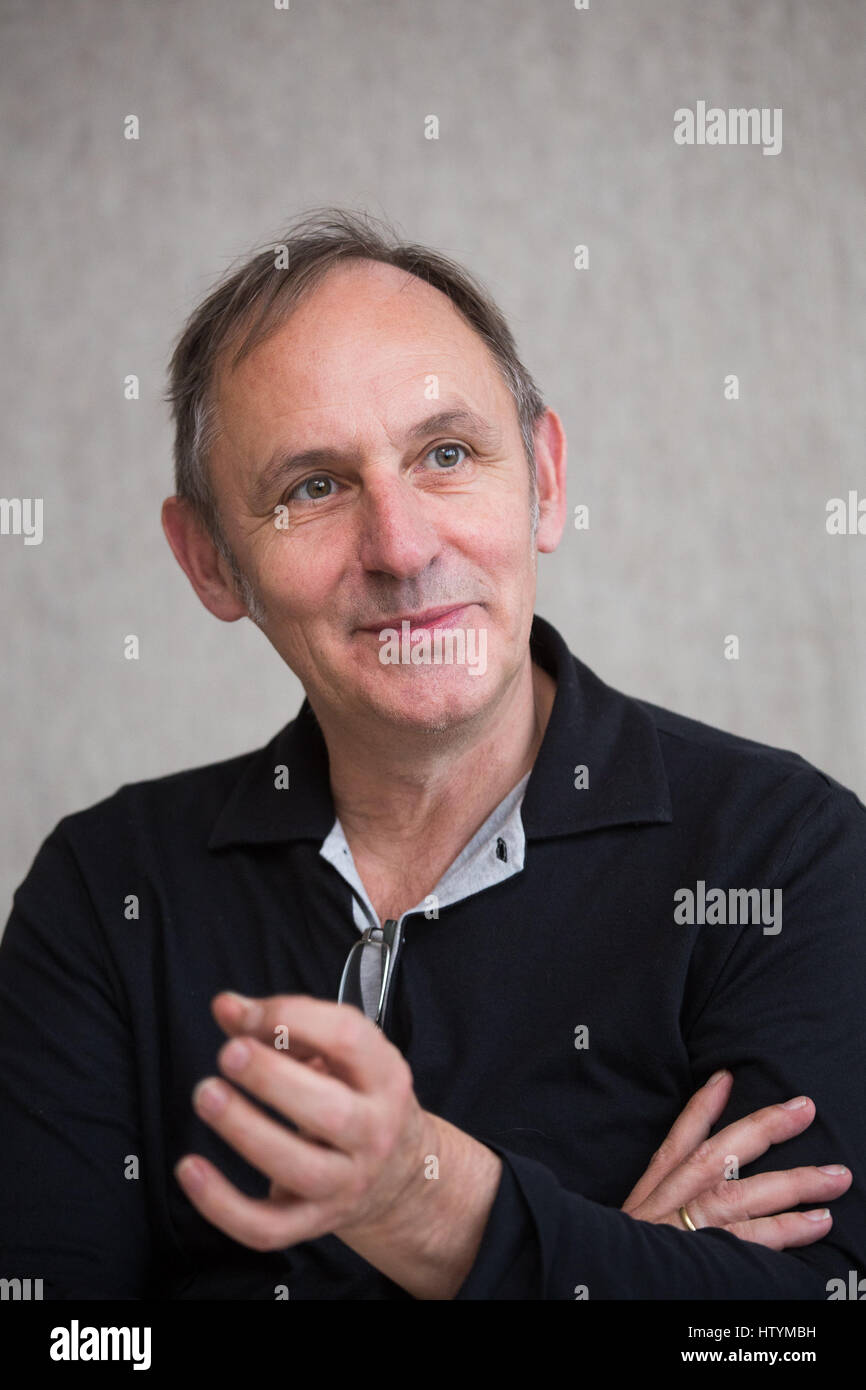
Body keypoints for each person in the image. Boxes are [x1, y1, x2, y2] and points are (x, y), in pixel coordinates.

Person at [1, 209, 863, 1300]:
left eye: (445, 453)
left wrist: (425, 1198)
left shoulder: (779, 854)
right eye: (312, 486)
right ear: (211, 562)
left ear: (543, 480)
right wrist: (613, 1258)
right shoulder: (105, 891)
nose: (402, 548)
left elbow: (803, 1333)